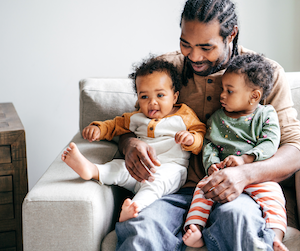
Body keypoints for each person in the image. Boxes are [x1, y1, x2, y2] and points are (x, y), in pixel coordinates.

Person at [116, 0, 300, 250]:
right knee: (142, 231)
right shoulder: (165, 71)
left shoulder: (264, 75)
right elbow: (128, 127)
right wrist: (130, 144)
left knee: (239, 222)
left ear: (231, 34)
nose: (194, 56)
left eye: (205, 47)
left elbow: (294, 148)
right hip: (171, 189)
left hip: (240, 191)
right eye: (185, 44)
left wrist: (244, 174)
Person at [61, 56, 206, 222]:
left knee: (156, 183)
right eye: (144, 97)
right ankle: (93, 170)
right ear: (138, 98)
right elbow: (114, 125)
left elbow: (200, 132)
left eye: (160, 95)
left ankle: (135, 207)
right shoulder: (135, 117)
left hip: (171, 169)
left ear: (174, 97)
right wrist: (97, 129)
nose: (152, 103)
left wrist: (191, 139)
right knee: (119, 167)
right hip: (137, 169)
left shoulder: (184, 115)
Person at [183, 53, 288, 251]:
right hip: (223, 176)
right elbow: (210, 145)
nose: (221, 95)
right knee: (202, 190)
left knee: (274, 198)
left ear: (254, 96)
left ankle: (275, 238)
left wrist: (246, 160)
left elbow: (270, 143)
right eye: (223, 89)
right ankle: (195, 228)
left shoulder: (266, 115)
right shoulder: (217, 119)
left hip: (258, 176)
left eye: (229, 91)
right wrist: (211, 164)